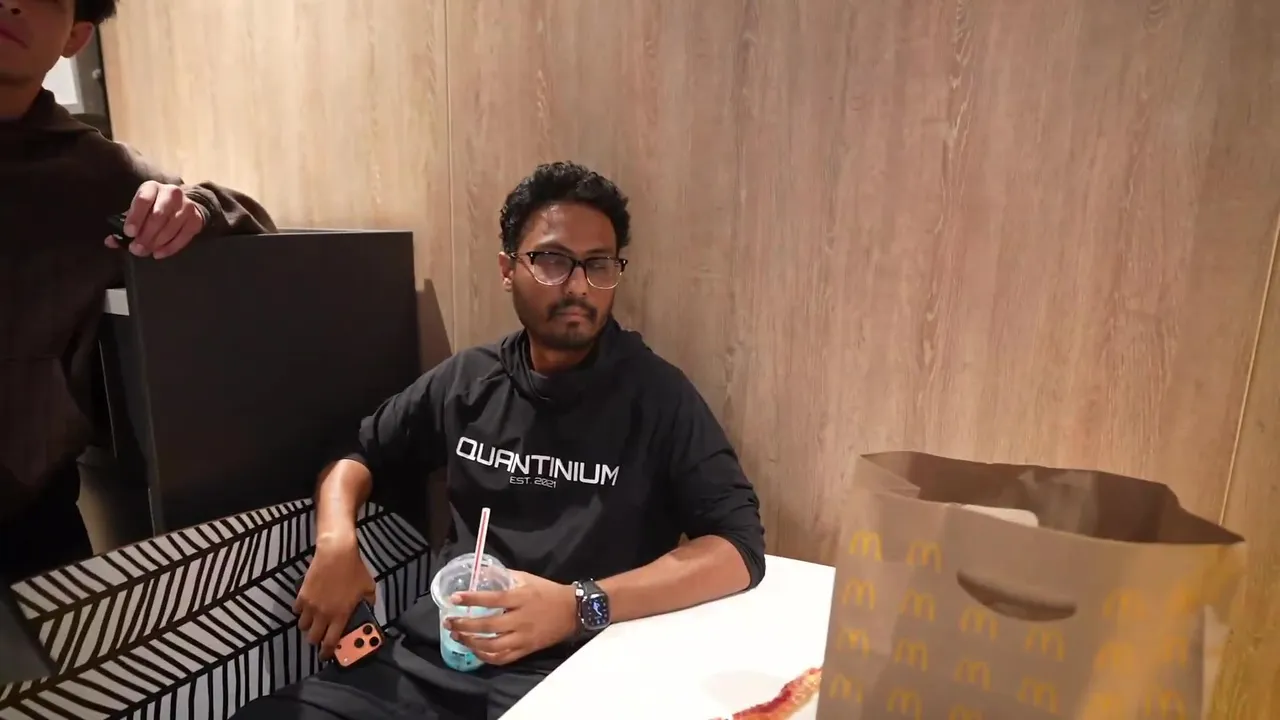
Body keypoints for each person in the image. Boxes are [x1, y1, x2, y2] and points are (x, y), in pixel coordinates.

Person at [231, 162, 766, 719]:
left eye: (598, 264)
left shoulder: (656, 396)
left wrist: (577, 605)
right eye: (553, 260)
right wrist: (336, 542)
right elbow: (359, 453)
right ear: (509, 269)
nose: (578, 286)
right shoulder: (470, 380)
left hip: (572, 677)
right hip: (432, 661)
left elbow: (739, 548)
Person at [0, 0, 276, 580]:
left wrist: (196, 208)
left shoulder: (93, 171)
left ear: (76, 37)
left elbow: (249, 223)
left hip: (26, 521)